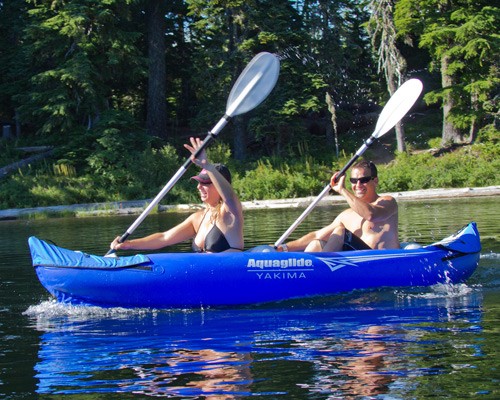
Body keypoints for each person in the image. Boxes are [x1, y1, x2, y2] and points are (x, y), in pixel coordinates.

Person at [110, 137, 244, 253]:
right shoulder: (198, 218)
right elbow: (164, 238)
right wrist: (129, 244)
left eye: (205, 183)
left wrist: (208, 166)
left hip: (228, 278)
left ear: (220, 185)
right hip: (202, 278)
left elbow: (229, 196)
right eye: (198, 182)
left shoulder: (230, 212)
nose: (199, 187)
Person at [276, 160, 399, 252]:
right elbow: (317, 235)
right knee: (316, 243)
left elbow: (370, 215)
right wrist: (284, 247)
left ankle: (321, 272)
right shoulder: (346, 215)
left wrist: (342, 190)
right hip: (358, 264)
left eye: (364, 180)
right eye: (354, 181)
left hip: (380, 263)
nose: (358, 184)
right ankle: (307, 273)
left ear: (375, 180)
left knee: (341, 232)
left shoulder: (387, 202)